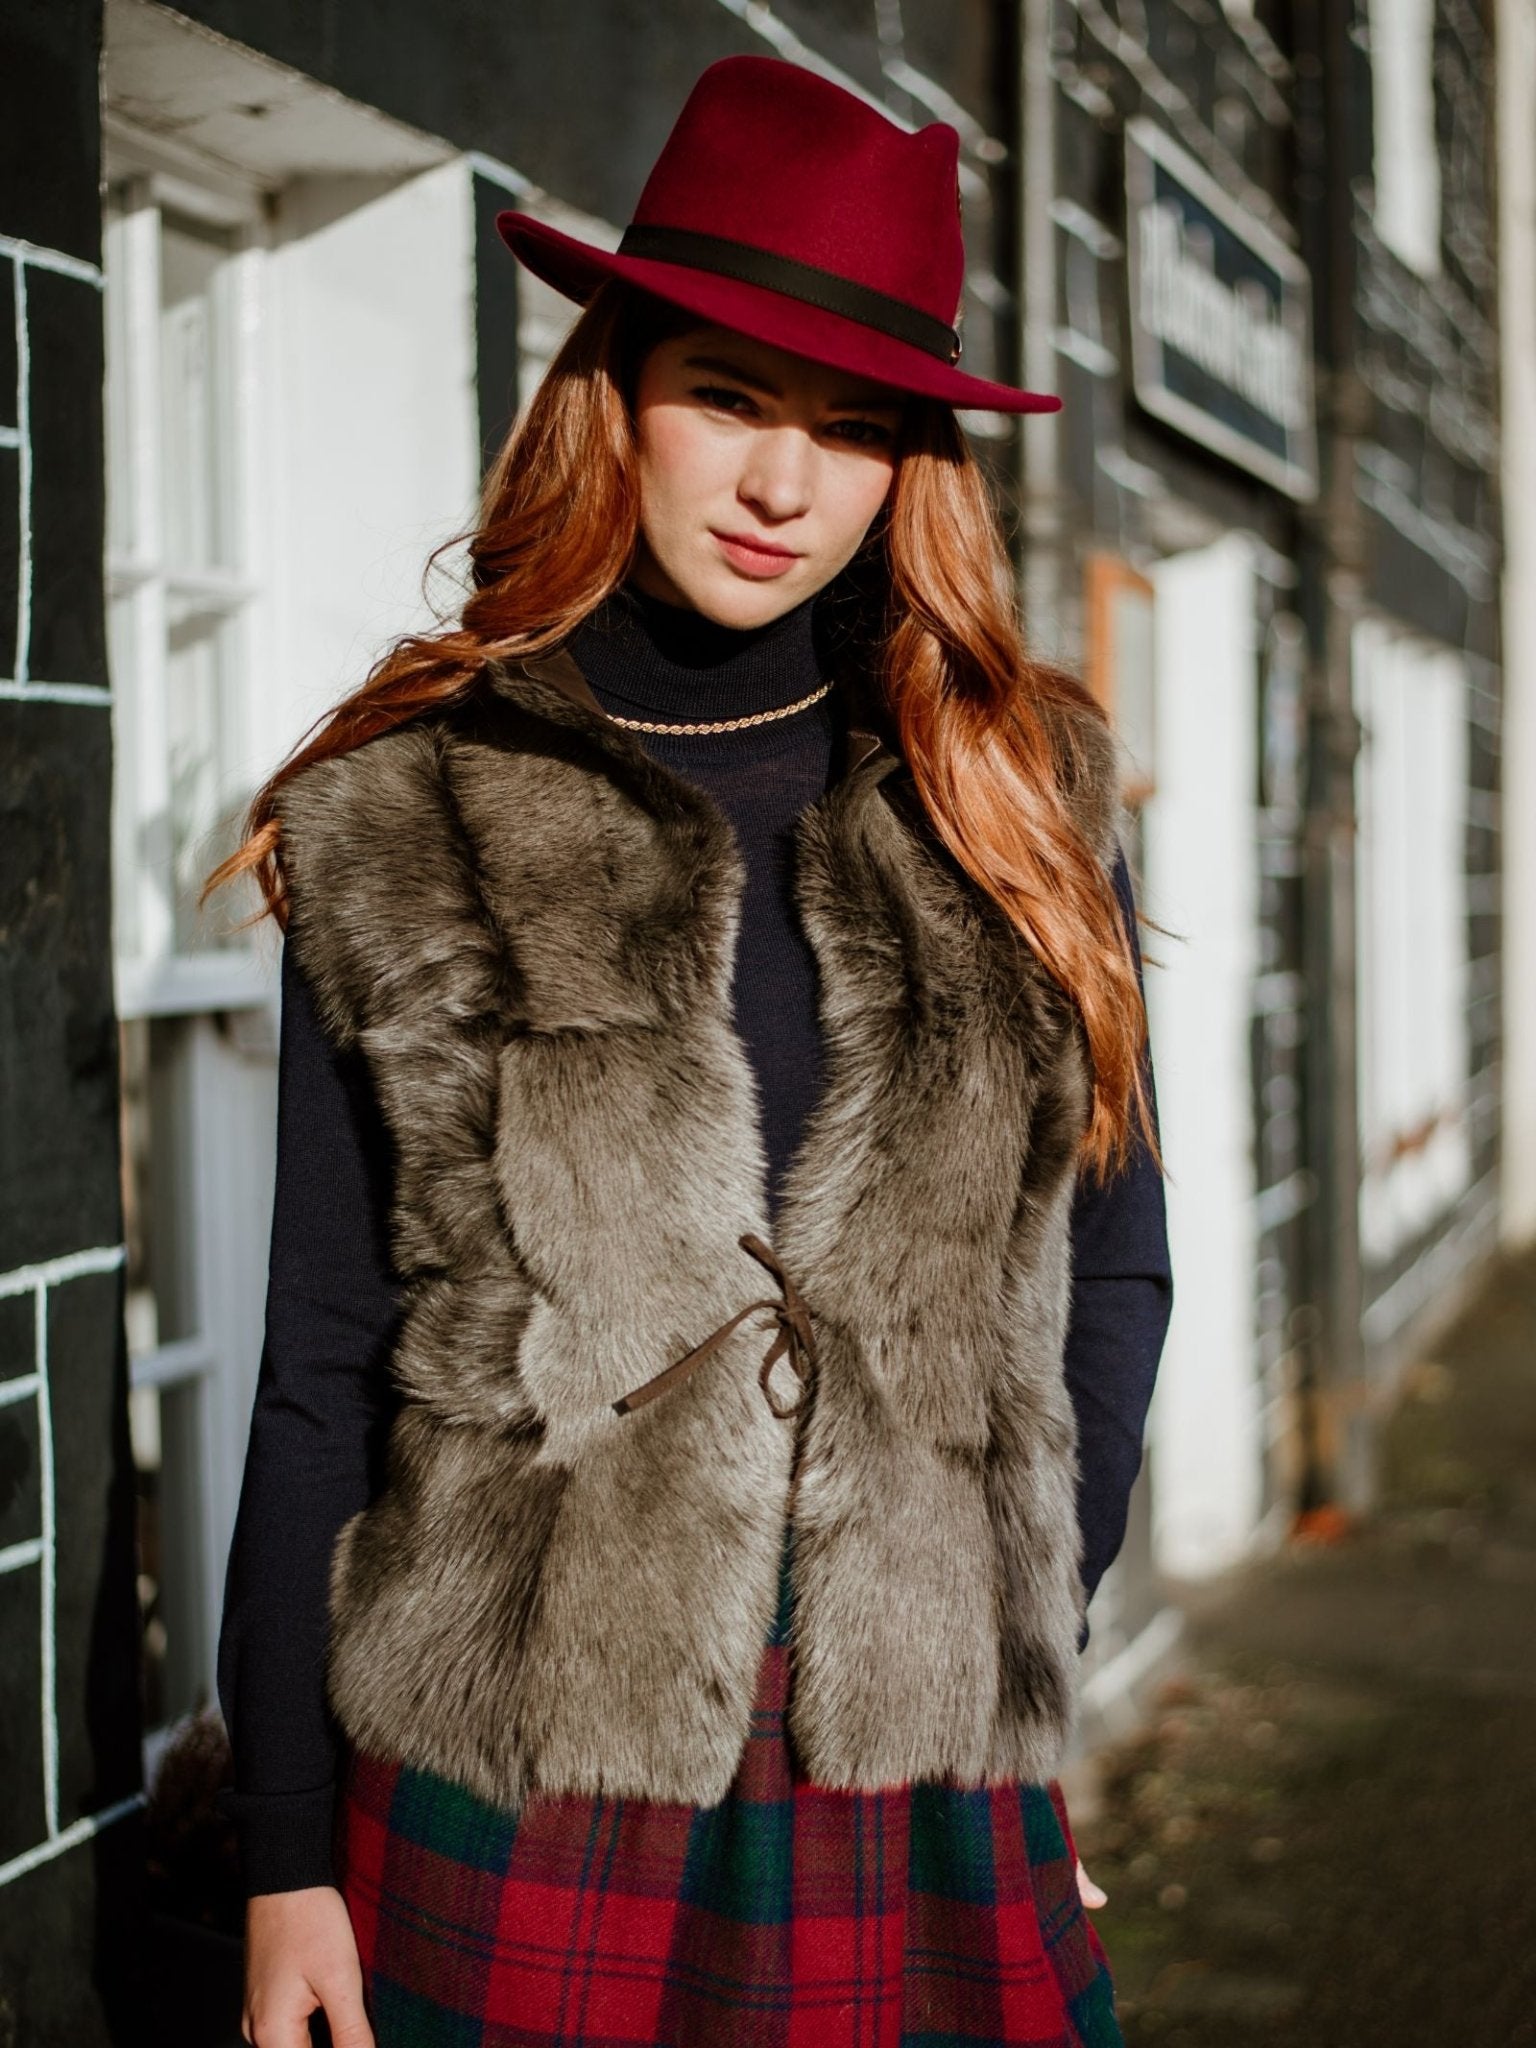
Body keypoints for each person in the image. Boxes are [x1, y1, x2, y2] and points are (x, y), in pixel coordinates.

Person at [211, 52, 1173, 2048]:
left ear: (916, 461)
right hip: (517, 1756)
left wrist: (1010, 1663)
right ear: (618, 388)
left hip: (912, 1760)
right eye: (729, 394)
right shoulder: (415, 807)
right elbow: (318, 1362)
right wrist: (283, 1857)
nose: (777, 484)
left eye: (850, 427)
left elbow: (1115, 1274)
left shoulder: (1009, 791)